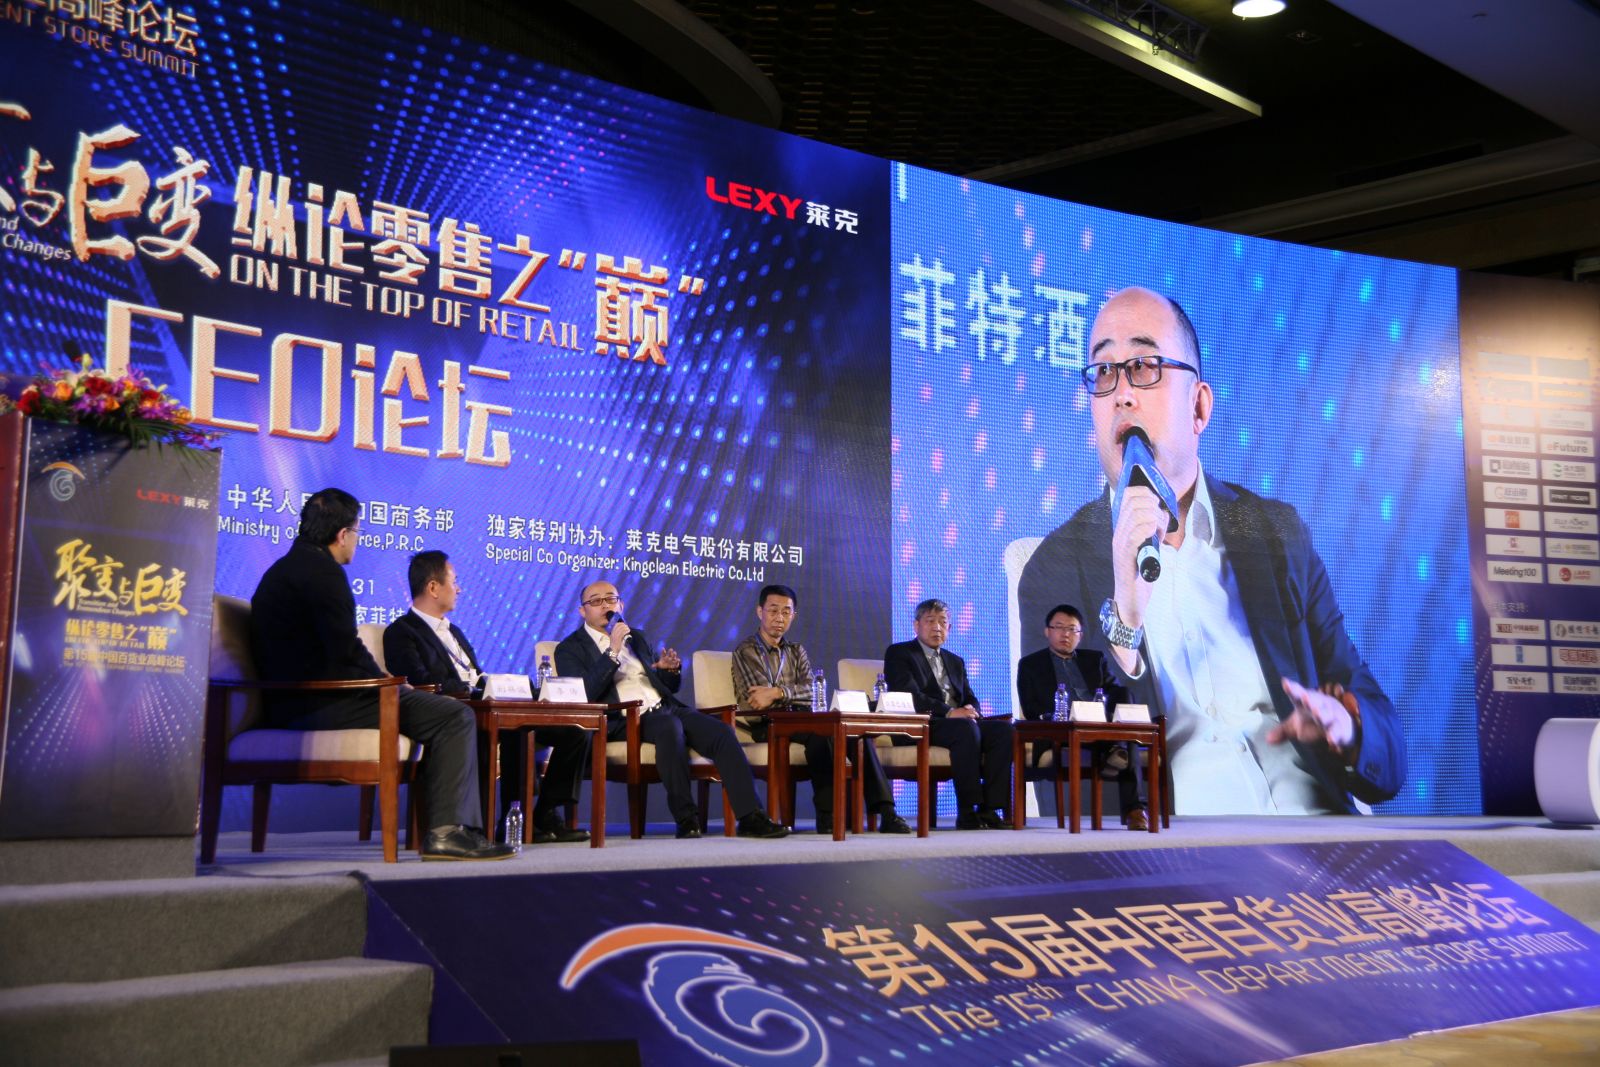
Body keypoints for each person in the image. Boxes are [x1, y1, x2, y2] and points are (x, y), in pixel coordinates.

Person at [1018, 286, 1405, 815]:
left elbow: (1388, 752)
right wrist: (1125, 622)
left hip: (1318, 834)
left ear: (1199, 406)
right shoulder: (1056, 567)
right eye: (1104, 372)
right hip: (1180, 851)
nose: (1121, 394)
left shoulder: (1275, 534)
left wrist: (1347, 729)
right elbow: (1065, 781)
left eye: (1144, 366)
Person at [250, 489, 512, 861]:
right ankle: (445, 833)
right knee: (454, 716)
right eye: (357, 532)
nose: (356, 541)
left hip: (295, 701)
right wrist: (387, 683)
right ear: (342, 534)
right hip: (322, 703)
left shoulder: (281, 570)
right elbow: (346, 649)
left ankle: (454, 829)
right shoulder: (324, 574)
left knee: (439, 709)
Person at [553, 579, 790, 840]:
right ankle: (687, 819)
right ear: (582, 611)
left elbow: (665, 687)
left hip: (663, 708)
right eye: (596, 601)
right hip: (621, 718)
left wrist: (668, 671)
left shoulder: (637, 637)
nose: (605, 605)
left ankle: (750, 816)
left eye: (611, 599)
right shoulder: (570, 648)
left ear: (621, 605)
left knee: (721, 732)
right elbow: (584, 694)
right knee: (669, 727)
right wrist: (612, 651)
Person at [383, 550, 590, 844]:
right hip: (455, 711)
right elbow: (419, 681)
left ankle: (543, 815)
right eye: (454, 581)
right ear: (433, 587)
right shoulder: (401, 632)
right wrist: (469, 691)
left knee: (574, 732)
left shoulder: (454, 631)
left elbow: (476, 673)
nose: (459, 589)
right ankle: (497, 824)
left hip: (487, 703)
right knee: (513, 729)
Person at [730, 584, 912, 834]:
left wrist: (778, 692)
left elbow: (813, 692)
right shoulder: (747, 650)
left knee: (855, 734)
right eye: (773, 611)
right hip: (768, 723)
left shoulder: (796, 651)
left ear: (794, 615)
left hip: (801, 718)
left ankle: (887, 812)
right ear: (759, 612)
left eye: (786, 612)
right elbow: (758, 699)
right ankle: (829, 815)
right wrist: (787, 694)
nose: (779, 618)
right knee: (820, 735)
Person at [883, 599, 1015, 829]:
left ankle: (989, 808)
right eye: (930, 621)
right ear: (916, 625)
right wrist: (950, 712)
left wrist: (972, 710)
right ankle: (967, 810)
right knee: (965, 729)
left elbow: (969, 696)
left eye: (943, 622)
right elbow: (909, 695)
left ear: (949, 628)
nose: (937, 627)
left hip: (959, 724)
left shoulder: (955, 661)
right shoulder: (900, 653)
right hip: (922, 725)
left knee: (1004, 731)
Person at [1015, 604, 1147, 829]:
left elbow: (1114, 692)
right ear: (1047, 631)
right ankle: (1116, 751)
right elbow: (1031, 707)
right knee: (1127, 741)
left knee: (1126, 708)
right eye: (1059, 627)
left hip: (1098, 727)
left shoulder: (1095, 659)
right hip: (1062, 731)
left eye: (1072, 629)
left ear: (1080, 635)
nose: (1065, 634)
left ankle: (1135, 809)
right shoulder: (1030, 665)